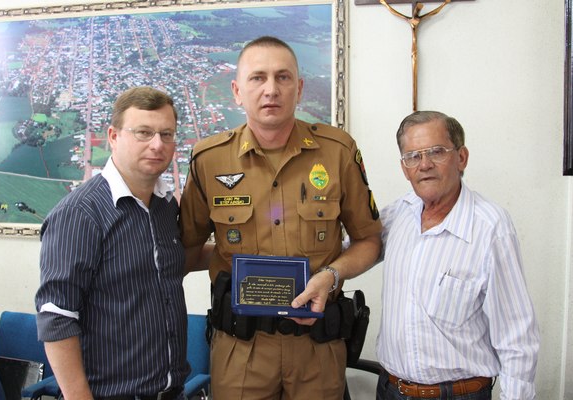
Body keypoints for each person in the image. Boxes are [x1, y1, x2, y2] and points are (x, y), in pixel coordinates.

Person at [180, 36, 383, 400]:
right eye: (258, 78)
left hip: (317, 350)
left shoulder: (338, 152)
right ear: (237, 91)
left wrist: (331, 275)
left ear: (299, 88)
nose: (271, 89)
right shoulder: (207, 160)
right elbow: (185, 250)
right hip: (240, 351)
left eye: (283, 77)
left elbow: (369, 240)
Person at [35, 86, 189, 400]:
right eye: (143, 132)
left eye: (167, 134)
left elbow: (171, 261)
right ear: (113, 136)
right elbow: (56, 317)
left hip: (173, 392)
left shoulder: (162, 207)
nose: (157, 144)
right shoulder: (80, 214)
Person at [377, 111, 540, 400]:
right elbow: (348, 247)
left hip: (459, 395)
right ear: (404, 168)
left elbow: (517, 338)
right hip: (390, 390)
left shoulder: (491, 227)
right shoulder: (397, 214)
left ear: (461, 157)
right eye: (412, 156)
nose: (424, 164)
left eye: (436, 152)